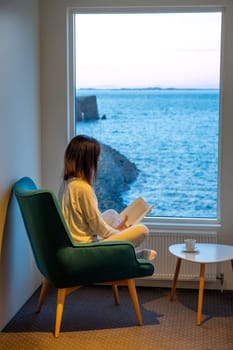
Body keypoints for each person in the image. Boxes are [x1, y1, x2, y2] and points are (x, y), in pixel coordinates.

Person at [58, 134, 156, 261]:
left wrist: (116, 231)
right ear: (88, 161)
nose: (98, 161)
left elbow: (92, 223)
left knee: (111, 214)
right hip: (86, 248)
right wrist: (121, 234)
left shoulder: (67, 183)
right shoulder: (83, 188)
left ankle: (126, 252)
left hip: (77, 240)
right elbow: (100, 229)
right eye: (96, 158)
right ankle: (131, 257)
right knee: (143, 230)